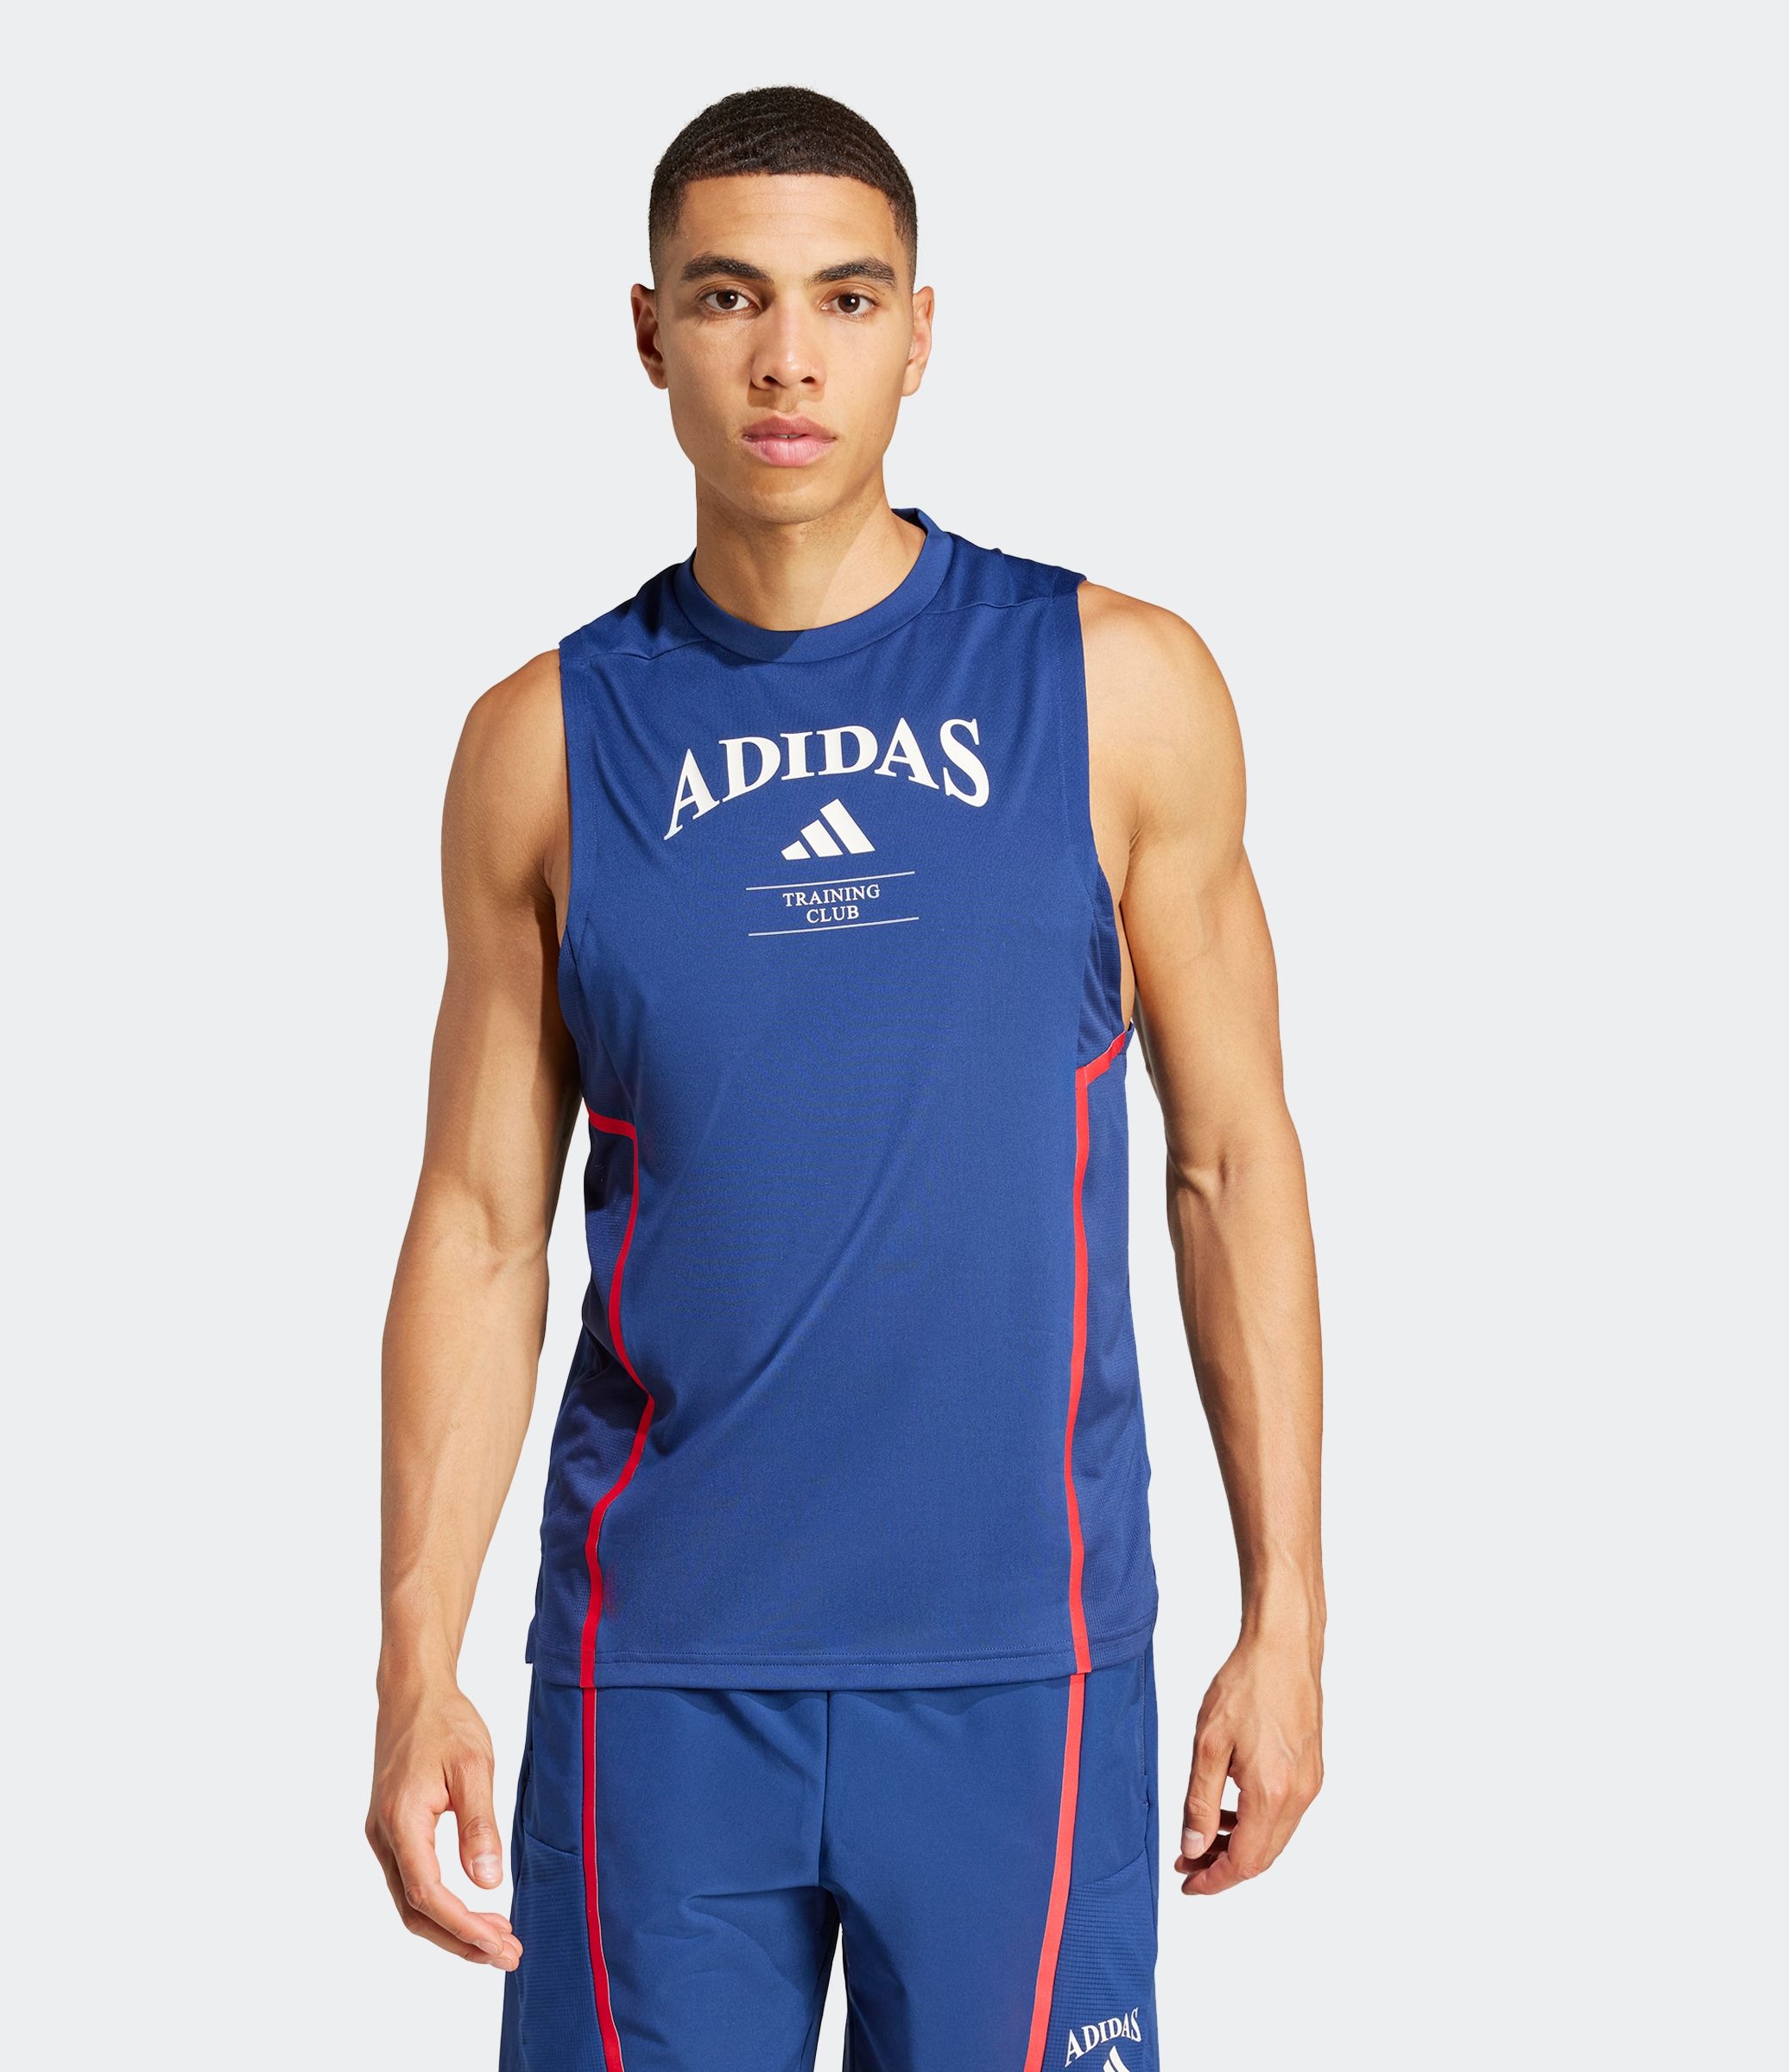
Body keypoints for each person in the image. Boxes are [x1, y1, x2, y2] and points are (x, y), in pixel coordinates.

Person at [365, 84, 1324, 2072]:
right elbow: (479, 1226)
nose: (788, 358)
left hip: (1022, 1668)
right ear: (651, 333)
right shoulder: (543, 744)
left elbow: (1232, 1161)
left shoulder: (1117, 688)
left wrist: (1289, 1612)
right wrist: (412, 1659)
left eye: (846, 298)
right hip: (658, 1675)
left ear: (920, 330)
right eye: (730, 297)